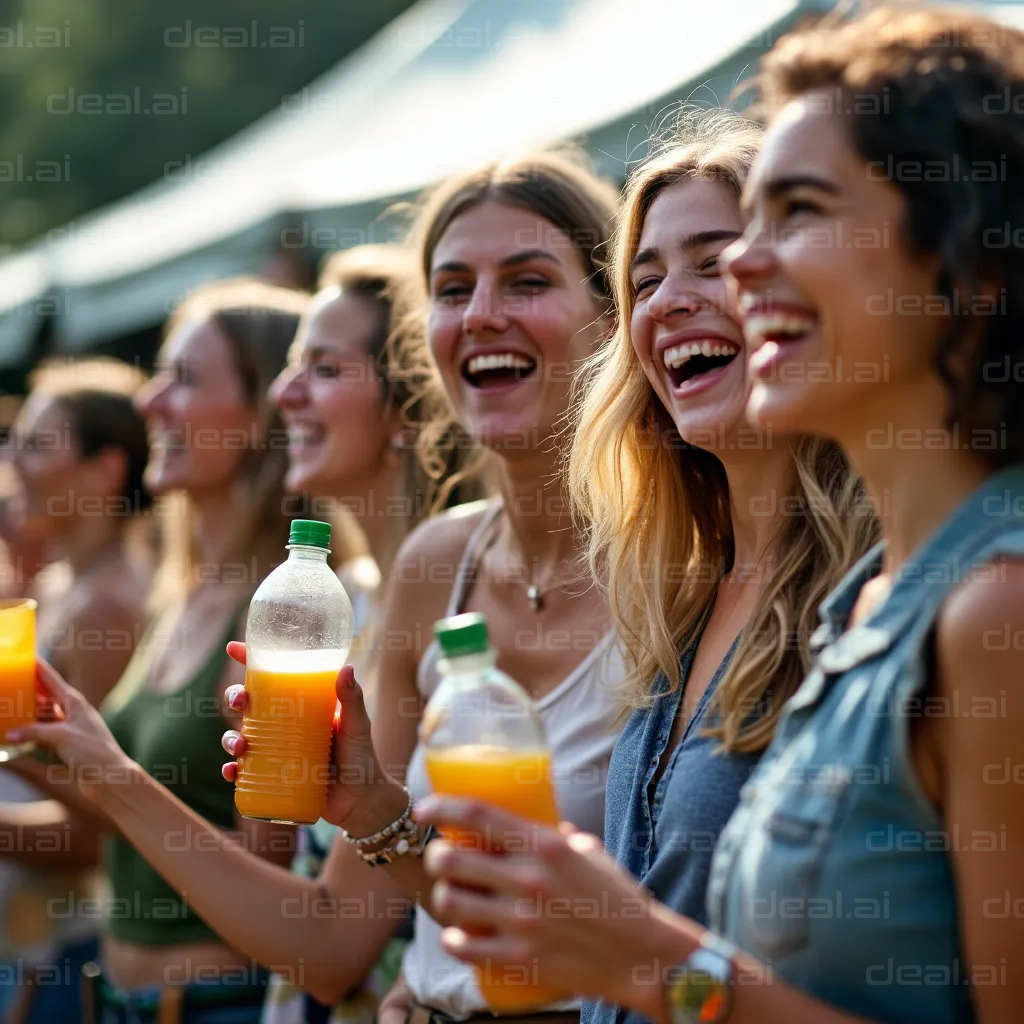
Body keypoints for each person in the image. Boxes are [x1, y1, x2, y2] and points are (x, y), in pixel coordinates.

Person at [416, 8, 1024, 1024]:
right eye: (645, 275)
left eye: (796, 213)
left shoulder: (991, 611)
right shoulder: (857, 607)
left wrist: (652, 963)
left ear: (962, 259)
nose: (740, 269)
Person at [13, 148, 625, 1024]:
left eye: (526, 280)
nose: (483, 314)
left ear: (614, 316)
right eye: (452, 290)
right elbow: (337, 936)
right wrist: (106, 770)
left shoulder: (677, 561)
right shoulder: (432, 570)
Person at [415, 103, 876, 1019]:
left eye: (716, 261)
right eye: (647, 279)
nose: (668, 302)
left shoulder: (883, 598)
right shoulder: (676, 595)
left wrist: (654, 968)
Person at [15, 279, 306, 1023]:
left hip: (219, 1003)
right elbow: (129, 814)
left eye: (183, 381)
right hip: (119, 997)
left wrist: (99, 774)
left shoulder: (277, 612)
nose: (150, 405)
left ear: (260, 416)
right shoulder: (178, 594)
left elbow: (268, 876)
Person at [0, 358, 152, 1023]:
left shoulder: (109, 608)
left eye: (36, 443)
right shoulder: (64, 589)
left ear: (105, 470)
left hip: (82, 944)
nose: (13, 463)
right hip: (41, 944)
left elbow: (108, 827)